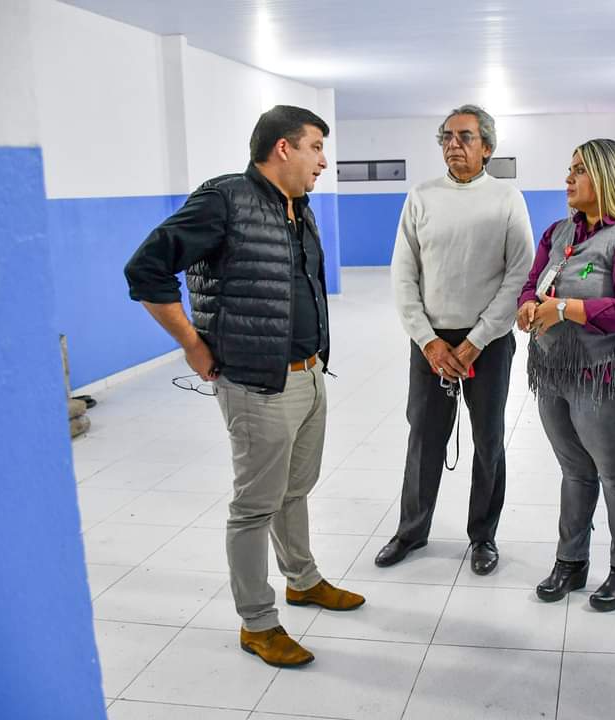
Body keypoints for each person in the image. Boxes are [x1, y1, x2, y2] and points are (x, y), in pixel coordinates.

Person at [124, 105, 365, 669]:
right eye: (315, 148)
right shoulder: (223, 199)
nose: (323, 161)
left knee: (295, 490)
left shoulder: (297, 206)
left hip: (308, 374)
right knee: (255, 506)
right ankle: (258, 622)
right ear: (283, 147)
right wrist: (191, 342)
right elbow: (146, 269)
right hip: (257, 383)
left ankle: (302, 580)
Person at [376, 104, 534, 575]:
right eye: (446, 137)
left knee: (488, 440)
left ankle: (483, 536)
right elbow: (403, 274)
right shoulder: (421, 197)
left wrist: (477, 340)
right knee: (424, 436)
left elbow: (518, 274)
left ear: (487, 146)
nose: (453, 145)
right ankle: (411, 530)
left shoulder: (507, 199)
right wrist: (428, 341)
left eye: (465, 137)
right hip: (431, 342)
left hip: (488, 343)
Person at [519, 138, 615, 612]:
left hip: (613, 377)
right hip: (556, 374)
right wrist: (527, 305)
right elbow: (533, 280)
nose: (568, 178)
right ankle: (571, 562)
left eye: (579, 170)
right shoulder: (559, 233)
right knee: (573, 471)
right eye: (569, 168)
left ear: (607, 178)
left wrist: (566, 308)